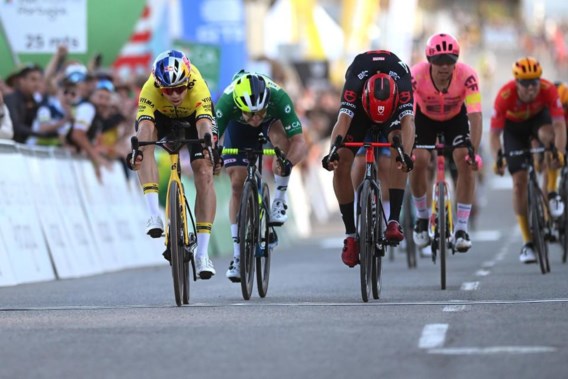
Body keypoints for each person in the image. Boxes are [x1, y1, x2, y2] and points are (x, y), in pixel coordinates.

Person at [128, 49, 220, 279]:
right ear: (159, 86)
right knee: (144, 140)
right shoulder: (150, 88)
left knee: (204, 171)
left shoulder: (197, 84)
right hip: (162, 117)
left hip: (194, 118)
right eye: (169, 90)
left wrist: (208, 147)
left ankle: (202, 254)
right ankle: (153, 215)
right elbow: (144, 127)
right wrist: (138, 149)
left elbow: (204, 124)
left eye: (180, 88)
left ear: (187, 81)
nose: (175, 94)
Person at [321, 50, 415, 268]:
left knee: (399, 155)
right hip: (361, 115)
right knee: (342, 162)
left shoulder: (402, 82)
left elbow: (408, 123)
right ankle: (351, 235)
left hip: (391, 116)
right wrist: (332, 152)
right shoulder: (355, 80)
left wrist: (406, 156)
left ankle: (393, 221)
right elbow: (343, 121)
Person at [214, 71, 307, 281]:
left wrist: (287, 162)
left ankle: (279, 201)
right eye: (251, 114)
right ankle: (238, 257)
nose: (256, 118)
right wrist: (214, 159)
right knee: (237, 182)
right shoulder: (227, 102)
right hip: (237, 129)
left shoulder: (279, 97)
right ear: (238, 105)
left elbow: (300, 143)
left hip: (271, 124)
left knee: (282, 143)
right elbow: (211, 141)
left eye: (260, 112)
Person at [410, 33, 483, 253]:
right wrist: (407, 147)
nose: (444, 67)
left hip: (455, 118)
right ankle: (422, 218)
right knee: (419, 160)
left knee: (464, 160)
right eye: (439, 62)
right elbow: (409, 115)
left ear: (456, 62)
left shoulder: (468, 75)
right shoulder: (415, 75)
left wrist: (473, 150)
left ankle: (461, 228)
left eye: (450, 61)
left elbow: (476, 115)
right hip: (424, 119)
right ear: (429, 61)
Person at [490, 57, 566, 264]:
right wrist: (498, 158)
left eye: (535, 82)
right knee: (518, 184)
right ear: (517, 83)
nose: (531, 88)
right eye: (526, 83)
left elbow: (559, 125)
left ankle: (551, 192)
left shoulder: (548, 89)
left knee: (549, 138)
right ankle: (528, 242)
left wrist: (558, 151)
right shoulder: (505, 95)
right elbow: (495, 135)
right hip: (514, 130)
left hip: (538, 122)